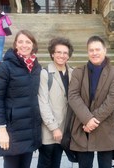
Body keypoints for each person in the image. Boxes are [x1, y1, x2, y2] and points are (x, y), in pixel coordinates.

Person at [0, 29, 42, 168]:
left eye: (28, 42)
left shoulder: (36, 67)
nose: (24, 45)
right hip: (12, 130)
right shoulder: (5, 67)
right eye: (20, 41)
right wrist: (1, 130)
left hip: (30, 128)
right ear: (15, 45)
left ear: (33, 45)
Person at [68, 35, 114, 168]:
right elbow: (73, 96)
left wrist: (93, 120)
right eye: (91, 50)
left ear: (104, 50)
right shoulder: (78, 72)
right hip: (82, 126)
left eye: (97, 49)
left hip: (104, 125)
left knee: (105, 164)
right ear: (88, 52)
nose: (94, 53)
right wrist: (87, 119)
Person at [37, 37, 74, 168]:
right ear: (52, 53)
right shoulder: (45, 73)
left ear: (69, 55)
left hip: (65, 127)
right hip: (49, 128)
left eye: (65, 53)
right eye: (58, 52)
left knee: (56, 162)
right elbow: (43, 102)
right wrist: (54, 128)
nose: (61, 56)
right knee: (45, 162)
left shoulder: (73, 73)